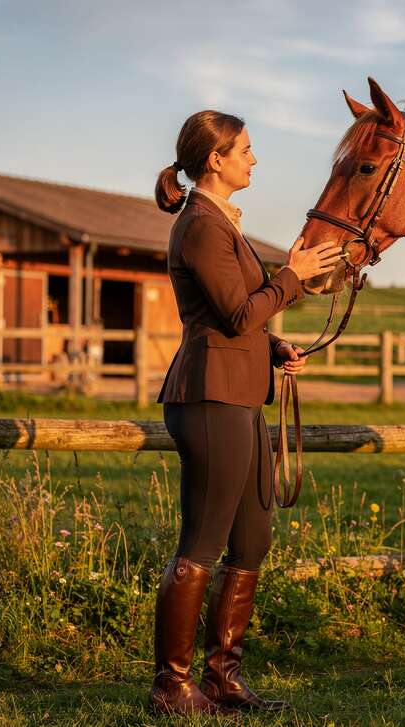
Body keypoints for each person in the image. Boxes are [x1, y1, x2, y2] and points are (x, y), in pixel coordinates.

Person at [148, 110, 342, 715]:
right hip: (210, 398)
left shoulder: (221, 224)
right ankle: (171, 686)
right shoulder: (203, 226)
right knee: (201, 544)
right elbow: (235, 313)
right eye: (246, 150)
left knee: (252, 541)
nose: (253, 160)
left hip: (238, 394)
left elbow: (241, 319)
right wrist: (294, 275)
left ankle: (222, 678)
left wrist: (273, 346)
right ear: (216, 160)